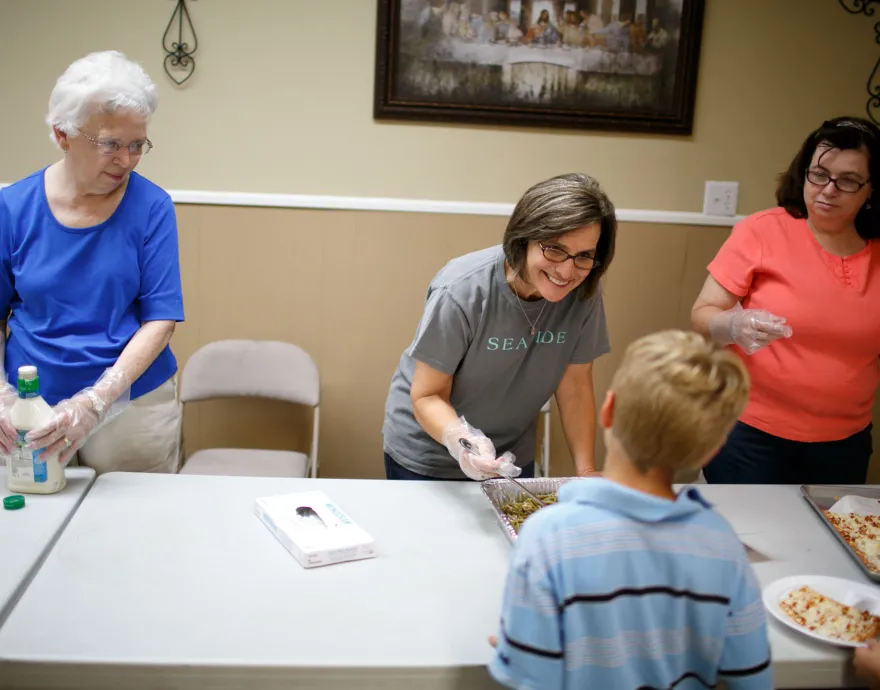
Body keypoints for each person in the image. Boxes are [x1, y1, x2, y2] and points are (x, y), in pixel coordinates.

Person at [489, 330, 772, 690]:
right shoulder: (723, 545)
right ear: (711, 451)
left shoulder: (548, 536)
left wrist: (515, 652)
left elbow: (531, 677)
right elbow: (751, 680)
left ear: (608, 410)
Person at [0, 50, 184, 475]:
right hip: (27, 405)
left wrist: (99, 400)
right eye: (110, 145)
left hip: (133, 405)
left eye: (137, 144)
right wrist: (3, 398)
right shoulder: (12, 209)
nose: (126, 159)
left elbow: (160, 319)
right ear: (62, 135)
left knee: (134, 531)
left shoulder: (152, 207)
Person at [382, 173, 616, 480]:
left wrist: (586, 471)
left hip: (510, 456)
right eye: (555, 249)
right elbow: (427, 396)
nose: (566, 270)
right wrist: (462, 441)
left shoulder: (583, 292)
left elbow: (574, 385)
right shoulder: (462, 290)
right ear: (524, 238)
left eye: (584, 256)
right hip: (429, 454)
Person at [692, 117, 879, 485]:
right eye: (819, 174)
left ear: (871, 189)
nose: (828, 190)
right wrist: (732, 325)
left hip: (843, 441)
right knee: (749, 539)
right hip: (747, 433)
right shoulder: (762, 230)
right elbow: (702, 315)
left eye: (848, 180)